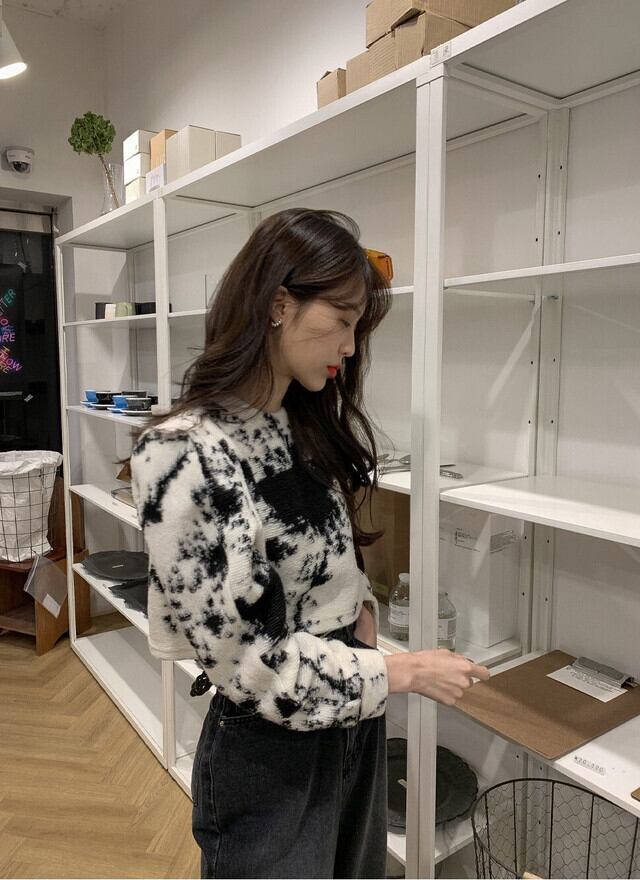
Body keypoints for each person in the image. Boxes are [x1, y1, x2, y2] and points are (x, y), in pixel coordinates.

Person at [130, 208, 490, 879]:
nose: (350, 346)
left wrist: (361, 614)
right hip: (273, 747)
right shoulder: (183, 452)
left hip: (351, 713)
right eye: (344, 320)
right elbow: (249, 666)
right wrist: (405, 672)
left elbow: (324, 557)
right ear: (277, 306)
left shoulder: (299, 421)